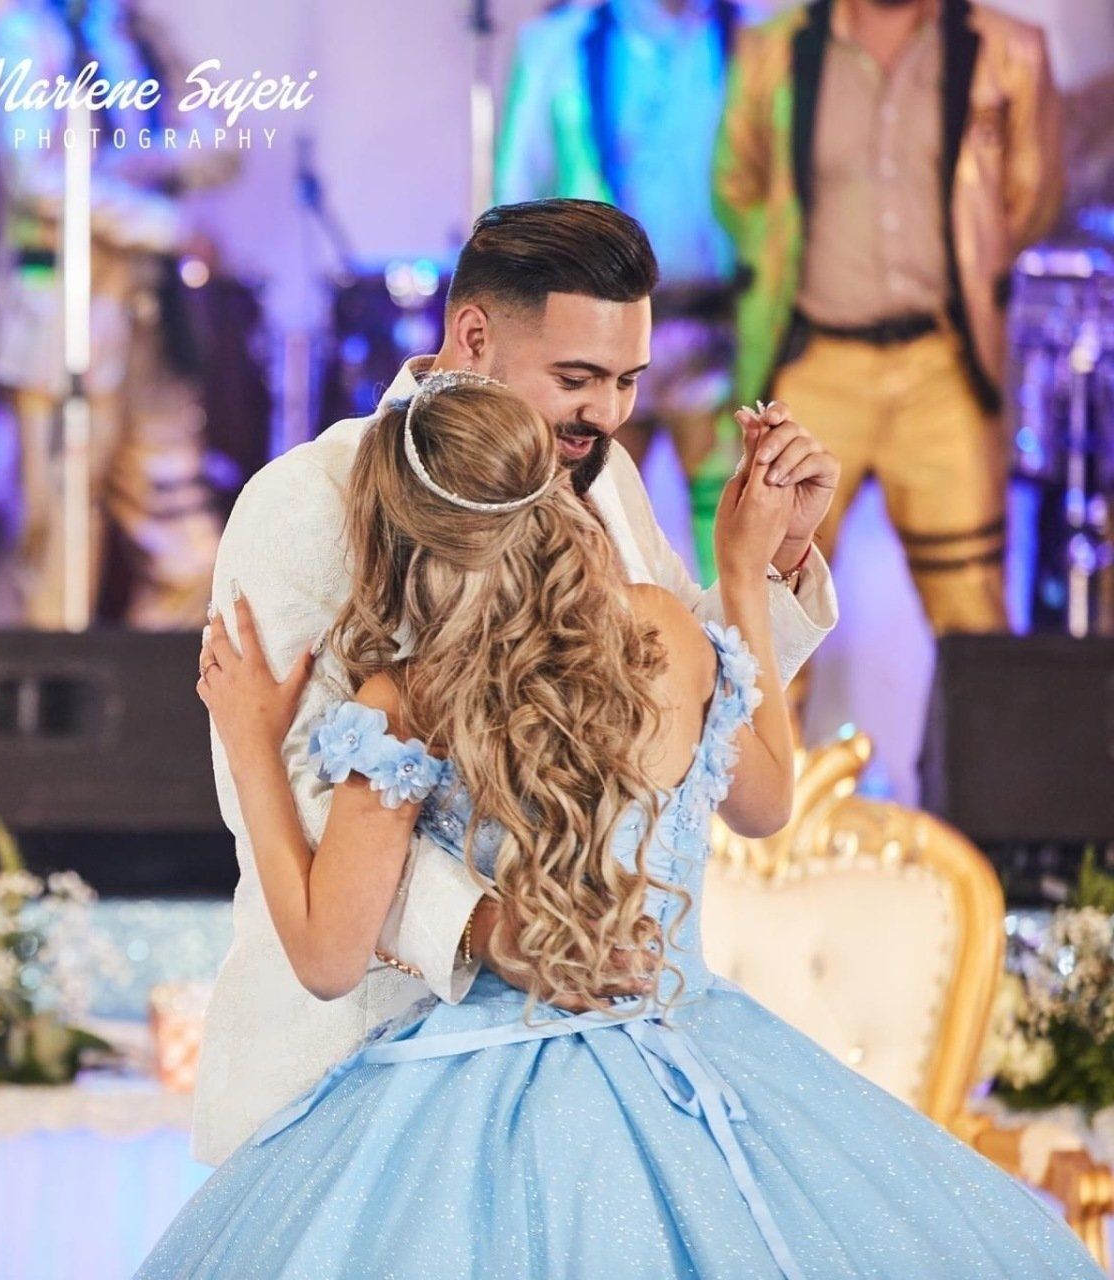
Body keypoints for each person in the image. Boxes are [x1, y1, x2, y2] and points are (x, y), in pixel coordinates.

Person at [140, 372, 1097, 1278]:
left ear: (402, 541)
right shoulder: (665, 635)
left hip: (456, 1106)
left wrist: (254, 742)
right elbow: (766, 804)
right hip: (692, 1048)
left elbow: (327, 956)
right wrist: (743, 574)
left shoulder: (407, 702)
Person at [189, 198, 840, 1168]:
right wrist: (491, 926)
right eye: (578, 378)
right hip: (357, 1075)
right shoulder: (307, 501)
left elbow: (668, 713)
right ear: (475, 336)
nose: (610, 415)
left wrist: (775, 563)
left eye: (628, 380)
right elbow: (293, 805)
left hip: (612, 1066)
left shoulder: (599, 474)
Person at [716, 0, 1062, 644]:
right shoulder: (774, 49)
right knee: (772, 607)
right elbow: (738, 188)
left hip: (943, 365)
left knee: (972, 614)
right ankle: (779, 750)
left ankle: (976, 749)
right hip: (816, 362)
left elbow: (1028, 197)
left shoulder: (1008, 49)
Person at [0, 0, 234, 630]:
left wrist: (137, 159)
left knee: (194, 554)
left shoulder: (144, 39)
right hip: (63, 325)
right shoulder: (27, 37)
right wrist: (165, 222)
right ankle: (59, 717)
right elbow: (36, 175)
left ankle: (142, 709)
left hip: (149, 325)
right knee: (63, 551)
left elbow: (223, 141)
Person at [496, 0, 744, 575]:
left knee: (732, 540)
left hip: (718, 330)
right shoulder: (559, 45)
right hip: (589, 336)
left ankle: (730, 664)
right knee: (582, 536)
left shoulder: (751, 37)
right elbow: (512, 205)